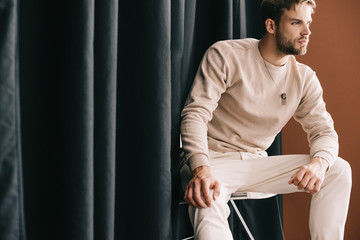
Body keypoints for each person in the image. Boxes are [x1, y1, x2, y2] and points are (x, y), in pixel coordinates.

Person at [180, 0, 352, 239]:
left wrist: (318, 165)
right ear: (271, 26)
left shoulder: (304, 78)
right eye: (296, 23)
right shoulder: (226, 54)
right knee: (208, 198)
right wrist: (201, 170)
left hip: (257, 163)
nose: (307, 32)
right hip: (213, 161)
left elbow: (324, 132)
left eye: (308, 23)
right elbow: (195, 114)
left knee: (338, 170)